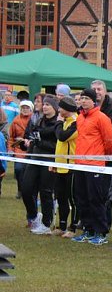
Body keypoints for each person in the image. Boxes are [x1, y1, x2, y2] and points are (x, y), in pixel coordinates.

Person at [71, 88, 112, 245]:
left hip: (95, 164)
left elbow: (109, 141)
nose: (83, 101)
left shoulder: (102, 118)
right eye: (81, 98)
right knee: (81, 198)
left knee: (95, 198)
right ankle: (88, 229)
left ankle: (101, 231)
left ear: (93, 101)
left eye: (86, 98)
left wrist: (102, 157)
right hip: (80, 164)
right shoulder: (79, 118)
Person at [22, 95, 61, 234]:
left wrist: (40, 142)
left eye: (48, 105)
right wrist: (28, 147)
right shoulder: (38, 120)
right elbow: (32, 139)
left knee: (46, 192)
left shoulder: (58, 123)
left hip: (49, 160)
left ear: (55, 108)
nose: (44, 107)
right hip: (34, 158)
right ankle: (34, 215)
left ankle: (46, 223)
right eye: (44, 104)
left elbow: (57, 145)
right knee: (26, 189)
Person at [54, 97, 79, 237]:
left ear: (67, 109)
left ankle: (73, 227)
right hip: (60, 165)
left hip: (72, 166)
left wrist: (57, 122)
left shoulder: (76, 122)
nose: (58, 110)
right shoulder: (64, 121)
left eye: (61, 108)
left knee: (73, 198)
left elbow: (62, 137)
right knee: (61, 197)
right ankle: (62, 225)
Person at [8, 99, 33, 200]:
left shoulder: (35, 119)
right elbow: (11, 137)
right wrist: (10, 149)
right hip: (18, 149)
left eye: (27, 108)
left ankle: (28, 192)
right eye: (23, 108)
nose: (25, 110)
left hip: (31, 149)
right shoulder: (15, 120)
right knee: (18, 170)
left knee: (29, 172)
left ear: (31, 109)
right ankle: (20, 190)